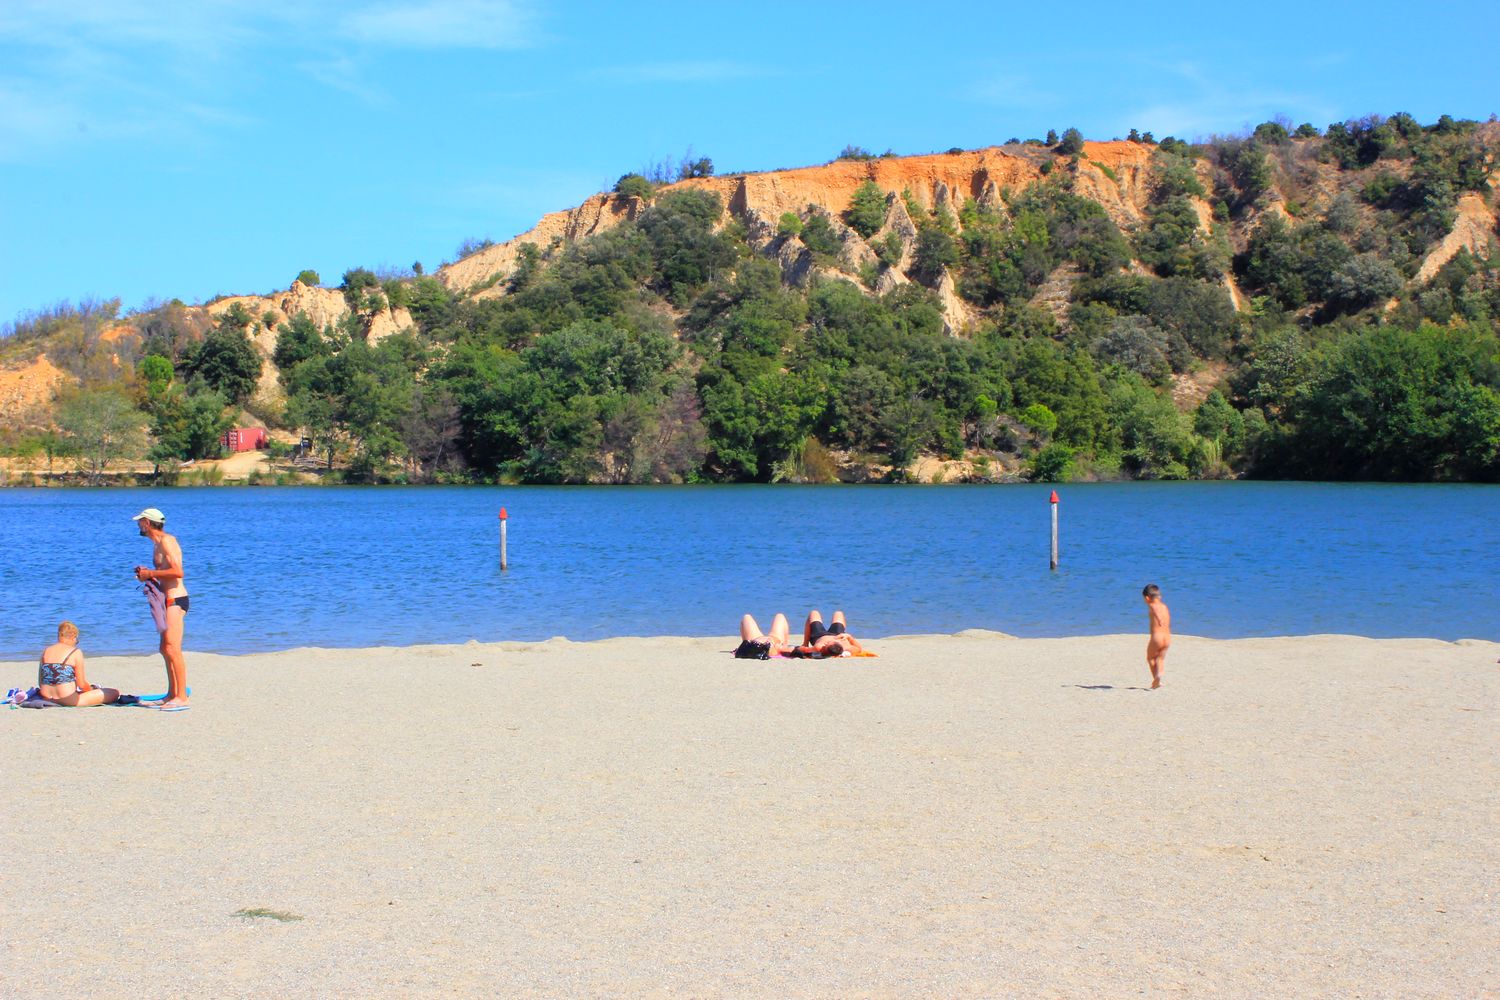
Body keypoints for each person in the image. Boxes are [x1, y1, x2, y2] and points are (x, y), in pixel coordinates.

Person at [132, 507, 190, 708]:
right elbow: (164, 571)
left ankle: (181, 696)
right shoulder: (156, 545)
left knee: (173, 648)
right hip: (165, 600)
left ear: (148, 523)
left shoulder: (167, 541)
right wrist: (148, 574)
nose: (138, 525)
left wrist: (151, 574)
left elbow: (178, 571)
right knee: (165, 648)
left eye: (140, 522)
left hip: (176, 599)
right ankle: (171, 693)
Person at [38, 621, 119, 707]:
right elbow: (81, 684)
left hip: (46, 697)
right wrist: (91, 689)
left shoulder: (45, 651)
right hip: (67, 699)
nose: (76, 643)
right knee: (113, 693)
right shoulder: (75, 652)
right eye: (77, 640)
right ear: (73, 637)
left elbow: (40, 682)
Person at [793, 608, 864, 658]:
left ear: (824, 649)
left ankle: (805, 642)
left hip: (819, 635)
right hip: (837, 634)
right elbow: (859, 648)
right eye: (829, 642)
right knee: (839, 613)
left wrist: (803, 647)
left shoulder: (819, 647)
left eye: (825, 645)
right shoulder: (845, 646)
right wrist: (849, 637)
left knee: (814, 613)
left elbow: (803, 650)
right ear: (838, 643)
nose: (825, 643)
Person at [1142, 583, 1171, 689]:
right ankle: (1159, 675)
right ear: (1160, 596)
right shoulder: (1165, 606)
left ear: (1147, 598)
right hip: (1167, 637)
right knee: (1160, 658)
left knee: (1150, 658)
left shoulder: (1152, 605)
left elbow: (1154, 608)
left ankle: (1156, 678)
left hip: (1157, 637)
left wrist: (1158, 619)